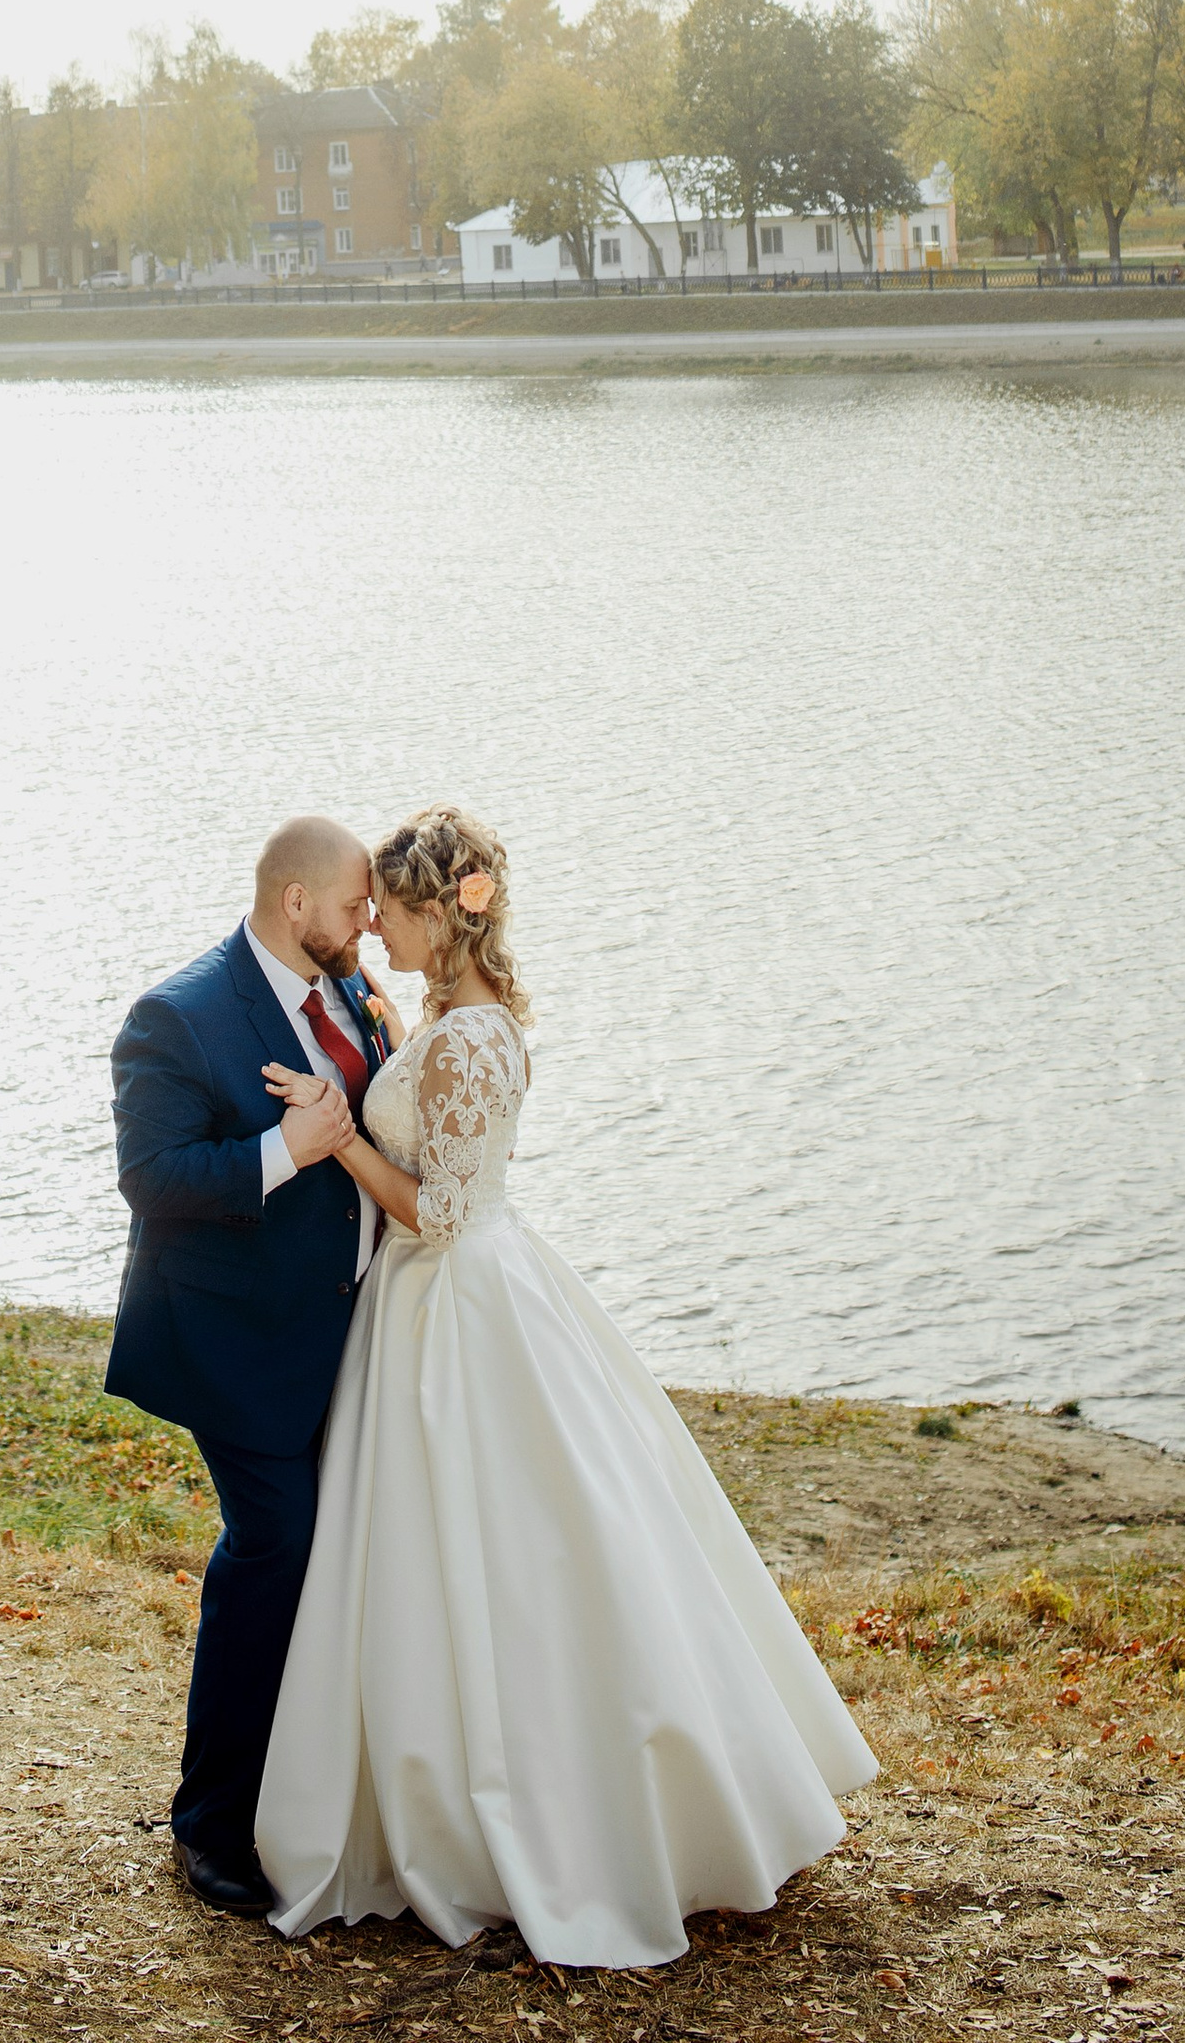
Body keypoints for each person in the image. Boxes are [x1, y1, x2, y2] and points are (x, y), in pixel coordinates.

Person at [252, 805, 878, 1968]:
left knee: (520, 1553)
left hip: (461, 1299)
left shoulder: (476, 1037)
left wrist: (337, 1136)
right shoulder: (439, 1014)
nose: (370, 921)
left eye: (387, 902)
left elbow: (438, 1209)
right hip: (438, 1299)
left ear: (440, 910)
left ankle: (563, 1817)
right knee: (449, 1555)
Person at [104, 815, 401, 1917]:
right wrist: (292, 1148)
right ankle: (211, 1823)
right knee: (274, 1542)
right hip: (231, 1338)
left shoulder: (356, 994)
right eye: (355, 904)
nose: (367, 921)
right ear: (295, 904)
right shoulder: (176, 1017)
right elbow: (153, 1177)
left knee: (348, 1550)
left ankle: (313, 1796)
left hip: (353, 1332)